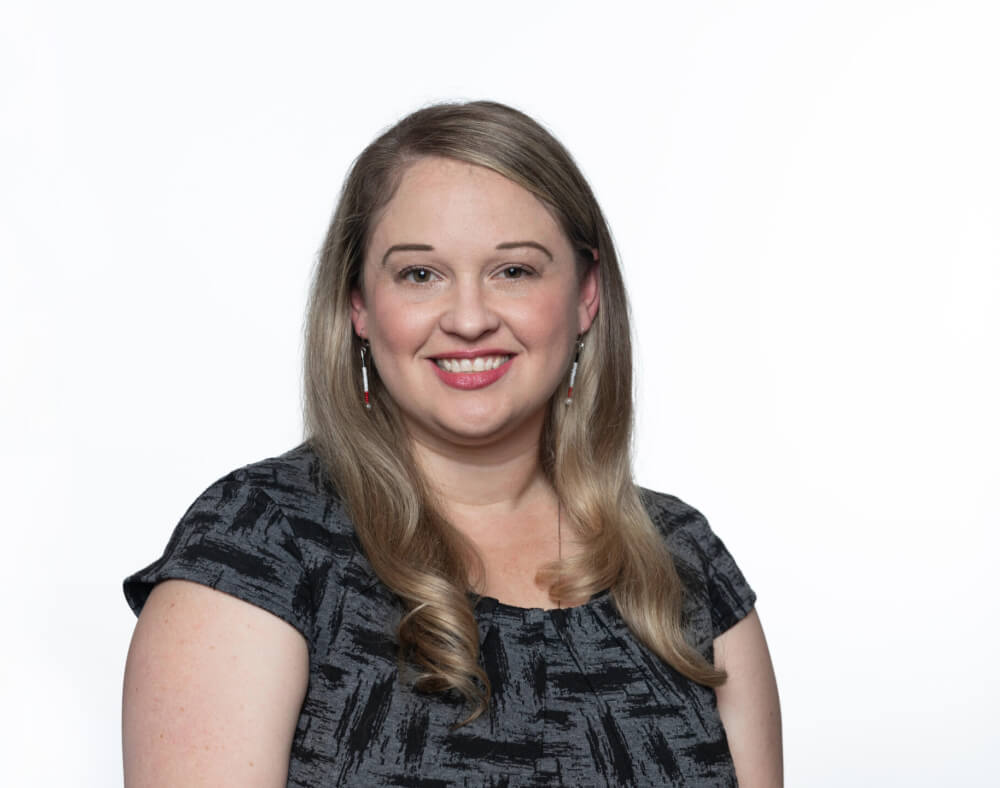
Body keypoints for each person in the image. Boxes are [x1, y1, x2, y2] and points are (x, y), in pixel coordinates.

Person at [121, 100, 782, 786]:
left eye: (514, 271)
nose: (469, 318)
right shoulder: (263, 544)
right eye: (420, 274)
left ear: (587, 294)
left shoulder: (680, 561)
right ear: (358, 306)